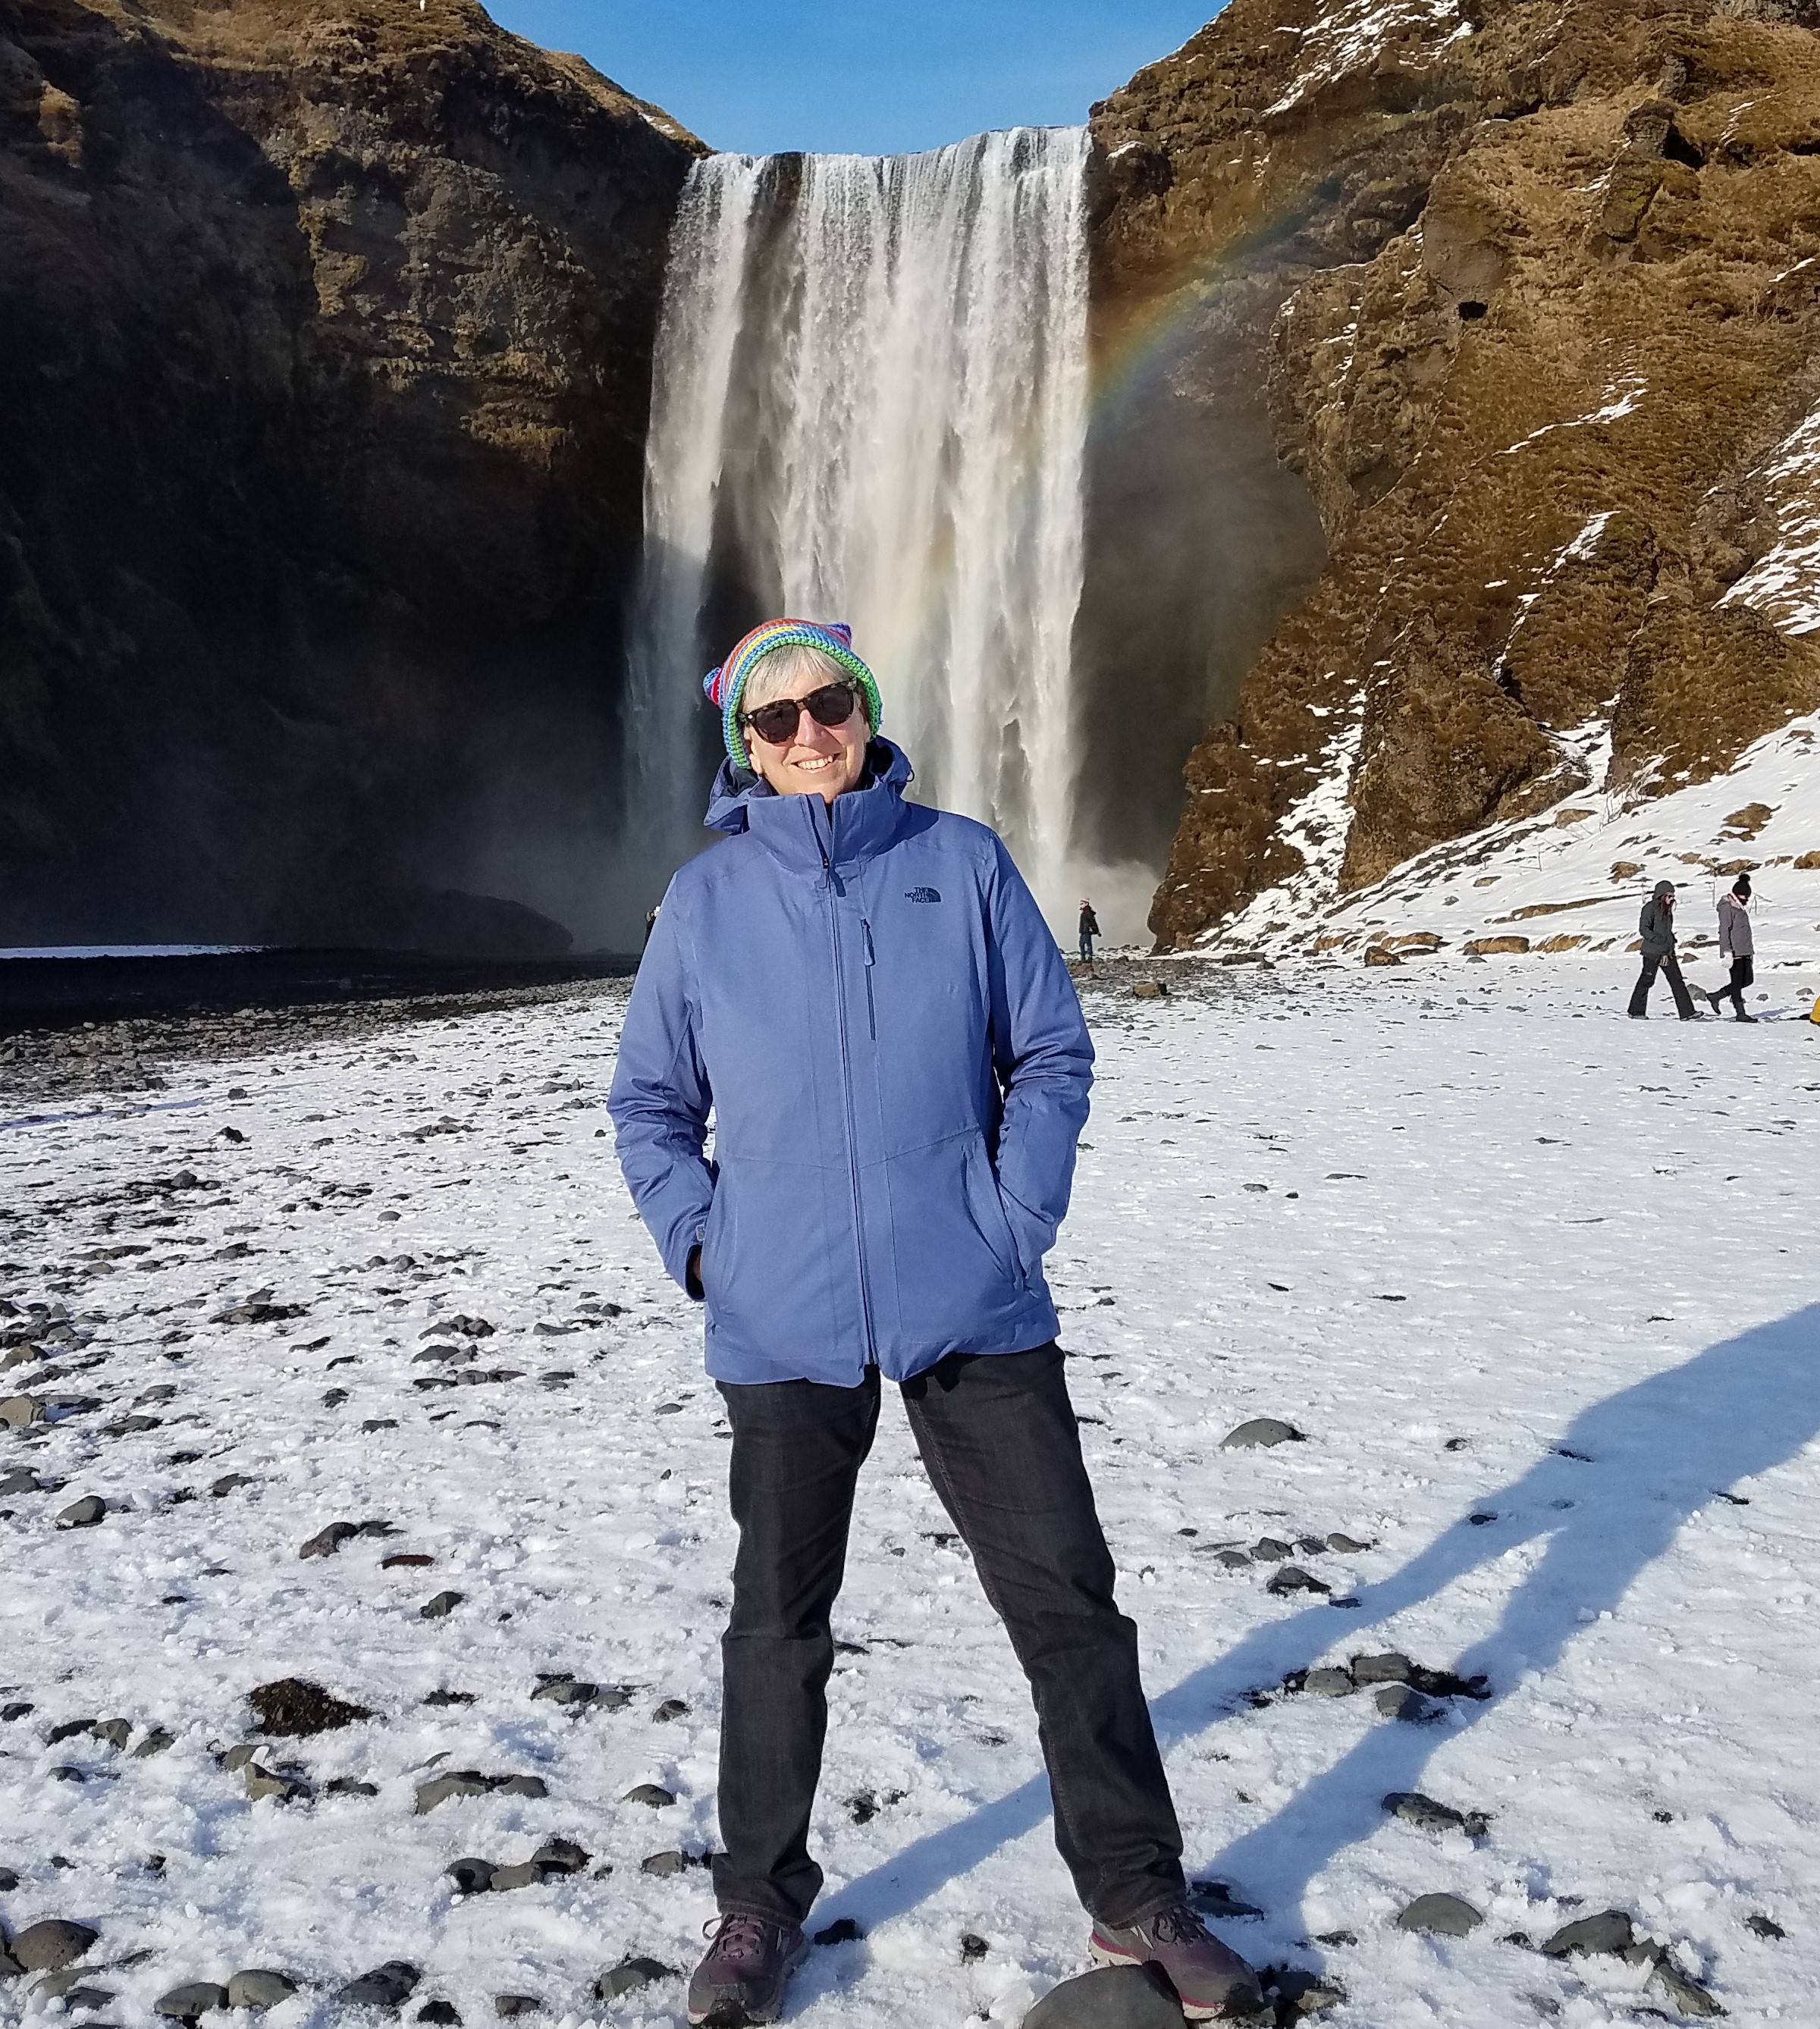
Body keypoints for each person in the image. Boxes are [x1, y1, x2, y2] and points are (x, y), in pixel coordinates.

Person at [608, 619, 1262, 2026]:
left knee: (1069, 1605)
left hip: (974, 1297)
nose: (808, 733)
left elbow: (1052, 1048)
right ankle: (755, 1909)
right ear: (744, 747)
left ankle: (1137, 1895)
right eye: (774, 720)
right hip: (779, 1315)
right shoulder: (707, 900)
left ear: (866, 708)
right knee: (775, 1626)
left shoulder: (960, 863)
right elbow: (650, 1105)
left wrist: (1011, 1220)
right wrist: (707, 1250)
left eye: (828, 703)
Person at [1627, 880, 1700, 1019]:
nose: (1672, 899)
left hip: (1667, 952)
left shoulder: (1668, 911)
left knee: (1677, 981)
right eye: (1669, 896)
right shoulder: (1649, 908)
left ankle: (1687, 1013)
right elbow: (1644, 929)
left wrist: (1670, 942)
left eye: (1673, 896)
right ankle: (1636, 1011)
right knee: (1647, 981)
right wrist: (1659, 942)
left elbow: (1666, 931)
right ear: (1661, 895)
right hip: (1652, 953)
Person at [1707, 872, 1756, 1022]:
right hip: (1734, 952)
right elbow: (1724, 930)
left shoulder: (1740, 907)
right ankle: (1740, 1012)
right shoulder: (1727, 908)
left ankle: (1716, 996)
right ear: (1737, 895)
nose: (1746, 901)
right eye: (1744, 898)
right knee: (1736, 983)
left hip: (1745, 951)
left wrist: (1750, 952)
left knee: (1748, 980)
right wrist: (1726, 951)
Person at [1078, 896, 1102, 967]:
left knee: (1085, 944)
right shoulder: (1086, 912)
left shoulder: (1087, 912)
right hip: (1084, 931)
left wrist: (1096, 931)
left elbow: (1092, 922)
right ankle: (1086, 958)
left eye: (1082, 903)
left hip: (1086, 931)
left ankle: (1087, 958)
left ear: (1086, 904)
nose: (1080, 905)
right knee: (1083, 944)